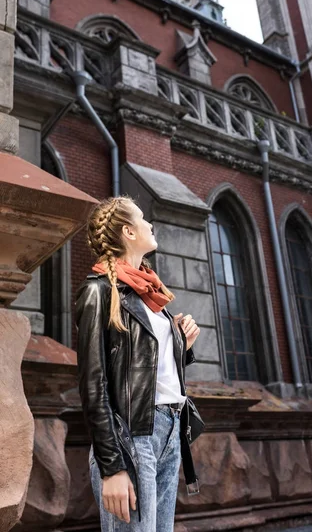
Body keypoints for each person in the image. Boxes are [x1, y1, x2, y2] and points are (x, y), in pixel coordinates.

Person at [75, 195, 201, 531]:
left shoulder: (149, 292)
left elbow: (144, 371)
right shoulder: (99, 292)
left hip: (170, 431)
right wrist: (112, 466)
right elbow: (93, 385)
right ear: (130, 232)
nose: (150, 224)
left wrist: (181, 345)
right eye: (143, 219)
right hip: (131, 437)